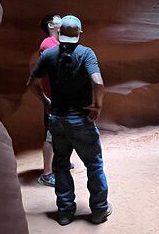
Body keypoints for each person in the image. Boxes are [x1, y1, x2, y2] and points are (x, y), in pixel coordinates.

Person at [27, 15, 112, 226]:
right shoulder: (86, 53)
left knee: (61, 165)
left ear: (60, 33)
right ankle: (99, 210)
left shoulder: (49, 54)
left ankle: (65, 212)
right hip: (81, 119)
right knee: (94, 165)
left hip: (57, 119)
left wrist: (46, 101)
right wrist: (97, 106)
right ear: (79, 34)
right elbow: (98, 83)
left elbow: (31, 82)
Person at [37, 14, 61, 187]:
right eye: (59, 20)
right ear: (52, 25)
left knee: (60, 131)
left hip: (60, 96)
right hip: (52, 97)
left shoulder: (58, 43)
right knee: (50, 134)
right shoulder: (48, 43)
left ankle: (57, 163)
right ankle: (46, 174)